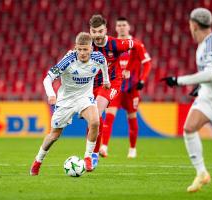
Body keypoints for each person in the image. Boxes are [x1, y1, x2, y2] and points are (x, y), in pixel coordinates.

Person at [30, 32, 110, 176]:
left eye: (85, 49)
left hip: (84, 97)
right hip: (65, 100)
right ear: (75, 48)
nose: (82, 53)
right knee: (54, 135)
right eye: (79, 49)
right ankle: (37, 161)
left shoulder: (98, 58)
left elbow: (104, 65)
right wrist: (51, 94)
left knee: (95, 122)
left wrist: (106, 80)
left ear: (91, 49)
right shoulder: (67, 60)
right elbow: (47, 79)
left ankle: (88, 157)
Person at [161, 8, 212, 192]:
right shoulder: (204, 44)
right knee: (189, 128)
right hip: (209, 96)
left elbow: (210, 74)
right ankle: (202, 173)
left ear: (194, 24)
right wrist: (200, 87)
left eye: (189, 24)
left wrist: (179, 81)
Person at [88, 14, 139, 166]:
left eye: (100, 31)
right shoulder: (87, 45)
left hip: (111, 84)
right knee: (93, 120)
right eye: (94, 31)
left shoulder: (117, 44)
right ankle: (92, 152)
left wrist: (130, 68)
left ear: (106, 30)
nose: (97, 35)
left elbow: (137, 46)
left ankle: (92, 155)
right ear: (90, 31)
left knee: (96, 114)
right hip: (91, 85)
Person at [99, 17, 152, 158]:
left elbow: (147, 63)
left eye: (124, 25)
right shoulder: (111, 45)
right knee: (109, 116)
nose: (121, 27)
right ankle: (104, 147)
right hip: (115, 86)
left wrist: (142, 80)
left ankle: (132, 149)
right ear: (116, 28)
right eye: (119, 25)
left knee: (132, 118)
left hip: (131, 89)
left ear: (129, 27)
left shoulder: (137, 45)